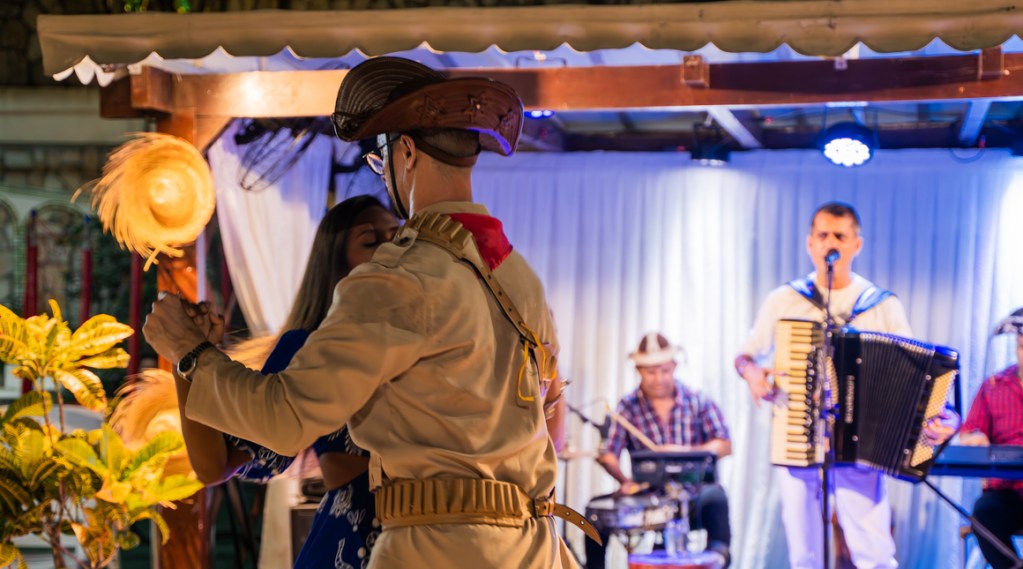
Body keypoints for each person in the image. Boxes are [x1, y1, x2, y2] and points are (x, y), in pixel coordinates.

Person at [143, 55, 584, 568]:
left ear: (406, 152)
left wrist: (190, 351)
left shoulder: (400, 278)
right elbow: (551, 424)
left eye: (380, 158)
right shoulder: (518, 277)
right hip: (534, 547)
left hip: (439, 549)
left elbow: (285, 418)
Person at [173, 195, 398, 568]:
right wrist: (186, 357)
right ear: (336, 267)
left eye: (400, 237)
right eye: (371, 241)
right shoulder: (310, 348)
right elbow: (215, 466)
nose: (392, 250)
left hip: (442, 536)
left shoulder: (437, 335)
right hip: (355, 545)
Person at [734, 201, 959, 569]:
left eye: (839, 236)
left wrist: (940, 415)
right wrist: (753, 373)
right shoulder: (784, 299)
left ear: (857, 244)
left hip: (861, 446)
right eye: (822, 235)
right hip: (798, 440)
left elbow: (914, 372)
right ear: (809, 243)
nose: (830, 243)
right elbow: (745, 355)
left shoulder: (880, 305)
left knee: (874, 553)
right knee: (805, 556)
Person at [586, 332, 732, 569]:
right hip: (648, 497)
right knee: (595, 513)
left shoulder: (697, 400)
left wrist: (683, 451)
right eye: (650, 372)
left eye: (664, 371)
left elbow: (724, 444)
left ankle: (717, 559)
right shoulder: (627, 407)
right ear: (638, 370)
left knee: (716, 497)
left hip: (694, 494)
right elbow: (609, 455)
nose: (659, 379)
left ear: (674, 366)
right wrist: (625, 481)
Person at [960, 307, 1023, 569]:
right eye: (1022, 346)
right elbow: (970, 432)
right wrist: (974, 439)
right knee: (984, 513)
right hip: (1008, 493)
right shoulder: (993, 386)